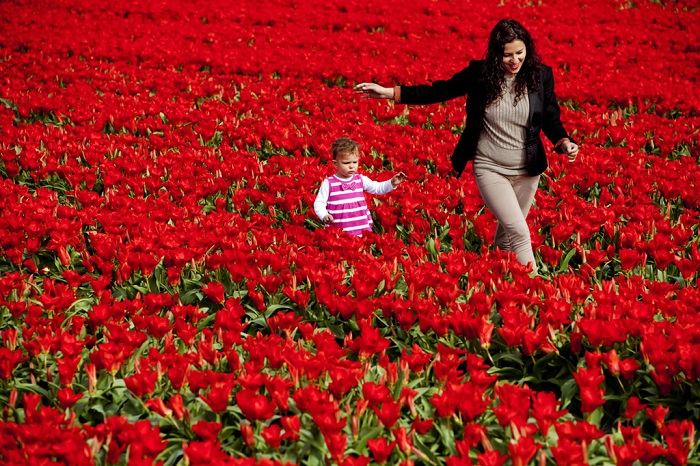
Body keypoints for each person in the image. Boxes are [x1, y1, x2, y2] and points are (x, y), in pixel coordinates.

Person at [355, 18, 579, 274]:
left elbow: (550, 117)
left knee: (507, 234)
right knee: (519, 231)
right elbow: (439, 91)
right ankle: (536, 291)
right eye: (507, 55)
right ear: (496, 54)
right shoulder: (480, 74)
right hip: (491, 167)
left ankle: (500, 282)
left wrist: (564, 142)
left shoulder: (540, 76)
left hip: (528, 170)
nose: (515, 61)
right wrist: (390, 92)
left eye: (520, 53)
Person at [314, 137, 407, 236]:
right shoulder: (329, 183)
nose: (351, 166)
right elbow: (319, 203)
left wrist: (392, 183)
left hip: (361, 228)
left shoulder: (360, 180)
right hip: (338, 231)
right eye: (346, 163)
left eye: (355, 162)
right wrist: (324, 215)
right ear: (335, 164)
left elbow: (378, 188)